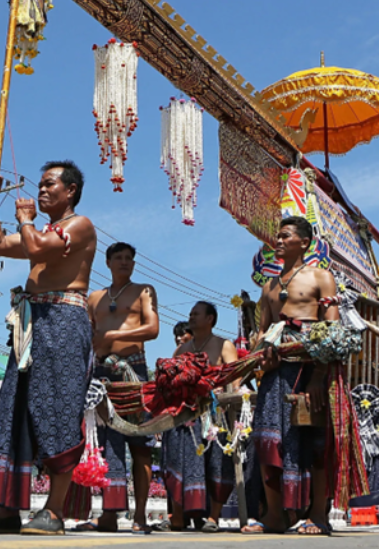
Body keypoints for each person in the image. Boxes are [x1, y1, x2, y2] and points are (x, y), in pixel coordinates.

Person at [0, 161, 97, 536]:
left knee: (57, 410)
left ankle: (54, 511)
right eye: (39, 184)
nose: (41, 189)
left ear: (70, 191)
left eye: (49, 183)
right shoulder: (44, 230)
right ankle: (5, 508)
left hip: (64, 324)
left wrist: (24, 218)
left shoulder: (79, 225)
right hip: (32, 323)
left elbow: (36, 246)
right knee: (16, 407)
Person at [251, 216, 341, 536]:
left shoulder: (321, 277)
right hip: (275, 373)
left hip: (312, 368)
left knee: (314, 442)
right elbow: (260, 331)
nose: (278, 240)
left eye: (285, 235)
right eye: (277, 235)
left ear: (304, 243)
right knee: (268, 441)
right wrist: (261, 352)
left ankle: (318, 514)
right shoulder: (269, 285)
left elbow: (331, 328)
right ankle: (275, 515)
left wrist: (318, 376)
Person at [77, 241, 159, 534]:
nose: (125, 262)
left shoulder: (144, 291)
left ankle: (139, 516)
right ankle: (109, 514)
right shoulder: (95, 297)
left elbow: (152, 328)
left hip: (133, 371)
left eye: (129, 258)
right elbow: (87, 335)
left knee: (140, 445)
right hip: (100, 374)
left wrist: (113, 334)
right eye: (119, 258)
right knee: (107, 443)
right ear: (108, 262)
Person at [161, 301, 238, 533]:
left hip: (216, 415)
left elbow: (234, 382)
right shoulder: (183, 350)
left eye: (196, 314)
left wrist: (220, 399)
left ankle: (213, 517)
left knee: (217, 463)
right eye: (190, 314)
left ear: (210, 319)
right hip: (185, 417)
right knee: (174, 452)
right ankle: (177, 516)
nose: (191, 317)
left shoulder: (224, 345)